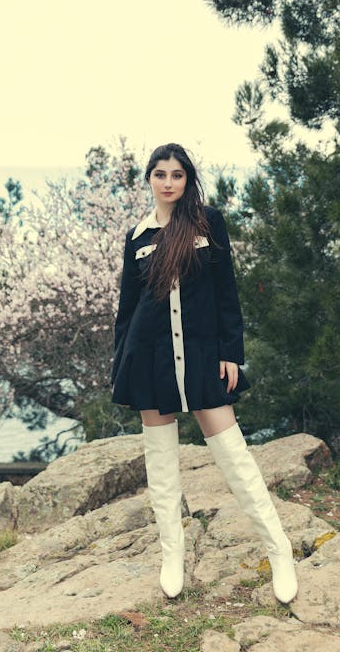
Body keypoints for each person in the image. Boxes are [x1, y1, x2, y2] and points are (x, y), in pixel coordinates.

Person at [110, 142, 298, 604]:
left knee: (235, 457)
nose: (168, 182)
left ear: (187, 178)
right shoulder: (137, 236)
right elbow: (127, 308)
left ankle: (280, 552)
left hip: (200, 356)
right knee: (161, 464)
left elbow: (226, 290)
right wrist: (122, 364)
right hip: (149, 357)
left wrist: (230, 352)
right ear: (149, 179)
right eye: (160, 174)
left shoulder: (206, 223)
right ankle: (172, 554)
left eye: (176, 174)